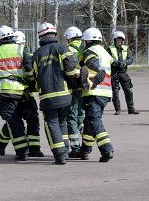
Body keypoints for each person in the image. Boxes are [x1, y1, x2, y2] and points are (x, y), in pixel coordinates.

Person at [31, 23, 78, 165]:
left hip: (47, 97)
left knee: (51, 124)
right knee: (62, 122)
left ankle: (59, 155)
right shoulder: (63, 49)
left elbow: (33, 76)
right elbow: (71, 70)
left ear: (40, 36)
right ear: (55, 34)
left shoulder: (37, 54)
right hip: (65, 95)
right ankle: (65, 149)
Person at [0, 26, 35, 161]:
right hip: (23, 91)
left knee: (13, 121)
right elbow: (29, 70)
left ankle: (2, 142)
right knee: (16, 121)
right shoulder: (21, 50)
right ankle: (22, 152)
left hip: (5, 92)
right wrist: (32, 85)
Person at [78, 28, 114, 162]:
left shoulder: (90, 51)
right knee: (89, 122)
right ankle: (84, 150)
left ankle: (107, 149)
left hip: (94, 91)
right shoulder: (104, 52)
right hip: (105, 92)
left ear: (87, 40)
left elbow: (93, 65)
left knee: (94, 121)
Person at [14, 30, 42, 157]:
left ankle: (34, 149)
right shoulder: (22, 54)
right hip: (21, 93)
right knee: (18, 122)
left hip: (23, 94)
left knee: (30, 121)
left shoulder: (27, 55)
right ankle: (1, 142)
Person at [64, 26, 86, 155]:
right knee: (80, 115)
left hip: (71, 86)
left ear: (69, 38)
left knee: (71, 116)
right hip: (83, 87)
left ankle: (75, 148)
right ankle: (86, 144)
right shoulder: (84, 48)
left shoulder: (69, 50)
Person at [108, 31, 138, 115]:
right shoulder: (109, 48)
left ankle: (131, 109)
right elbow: (107, 58)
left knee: (129, 91)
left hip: (123, 73)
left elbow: (131, 59)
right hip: (114, 73)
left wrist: (125, 62)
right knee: (115, 92)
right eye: (117, 40)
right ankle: (118, 110)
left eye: (120, 40)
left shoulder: (126, 48)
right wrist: (114, 62)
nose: (119, 41)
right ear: (114, 40)